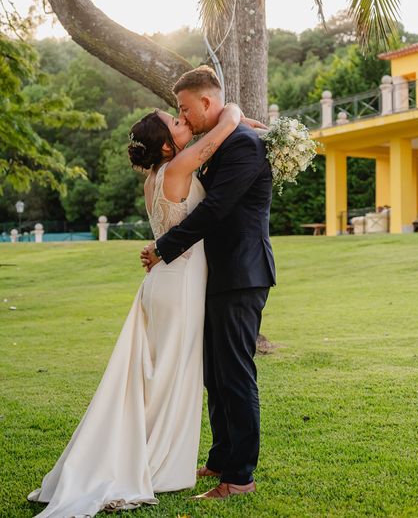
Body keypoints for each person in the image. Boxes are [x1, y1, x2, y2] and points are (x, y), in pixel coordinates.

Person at [27, 102, 244, 517]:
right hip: (180, 285)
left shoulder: (154, 177)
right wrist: (231, 110)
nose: (183, 121)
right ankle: (154, 462)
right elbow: (224, 129)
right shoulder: (179, 167)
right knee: (169, 376)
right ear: (165, 147)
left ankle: (146, 453)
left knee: (156, 376)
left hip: (162, 282)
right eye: (175, 121)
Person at [142, 65, 276, 500]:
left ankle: (239, 478)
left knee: (235, 374)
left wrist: (164, 247)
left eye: (184, 108)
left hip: (241, 272)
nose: (182, 115)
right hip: (216, 274)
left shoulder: (243, 145)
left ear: (205, 101)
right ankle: (219, 458)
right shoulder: (221, 141)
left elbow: (215, 208)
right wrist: (233, 115)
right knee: (215, 375)